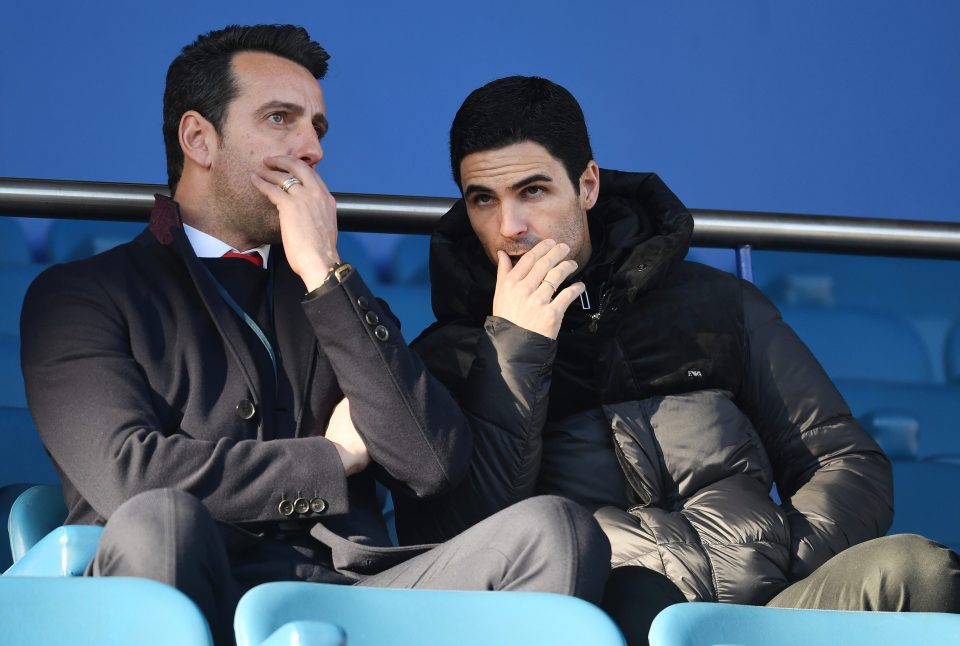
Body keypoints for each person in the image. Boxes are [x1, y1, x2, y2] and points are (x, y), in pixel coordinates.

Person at [20, 32, 610, 645]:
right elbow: (131, 479)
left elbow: (432, 464)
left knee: (554, 531)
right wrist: (332, 460)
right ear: (199, 139)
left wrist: (325, 271)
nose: (311, 149)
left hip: (352, 594)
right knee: (159, 519)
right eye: (281, 119)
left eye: (318, 129)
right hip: (193, 583)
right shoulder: (80, 294)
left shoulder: (331, 291)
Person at [399, 75, 960, 642]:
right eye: (483, 200)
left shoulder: (715, 304)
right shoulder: (450, 360)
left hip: (769, 607)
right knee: (633, 600)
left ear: (587, 185)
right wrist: (517, 349)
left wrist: (780, 557)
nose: (508, 227)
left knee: (921, 571)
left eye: (533, 191)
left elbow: (846, 461)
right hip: (611, 624)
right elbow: (460, 544)